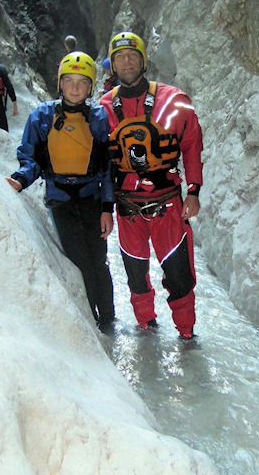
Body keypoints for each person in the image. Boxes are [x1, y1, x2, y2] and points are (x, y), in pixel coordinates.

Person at [100, 31, 203, 339]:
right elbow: (99, 162)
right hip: (127, 208)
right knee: (136, 276)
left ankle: (186, 333)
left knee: (179, 276)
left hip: (168, 204)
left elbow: (192, 145)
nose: (127, 62)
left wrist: (194, 190)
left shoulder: (174, 100)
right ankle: (146, 326)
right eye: (120, 57)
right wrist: (103, 206)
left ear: (143, 61)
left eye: (132, 55)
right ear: (113, 66)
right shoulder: (103, 107)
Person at [6, 51, 116, 331]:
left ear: (90, 87)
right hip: (60, 199)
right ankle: (90, 320)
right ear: (60, 84)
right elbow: (30, 157)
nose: (75, 88)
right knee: (79, 262)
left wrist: (107, 208)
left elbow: (106, 168)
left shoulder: (99, 118)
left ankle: (108, 320)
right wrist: (21, 179)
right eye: (69, 81)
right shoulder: (42, 116)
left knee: (99, 261)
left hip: (91, 198)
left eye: (82, 82)